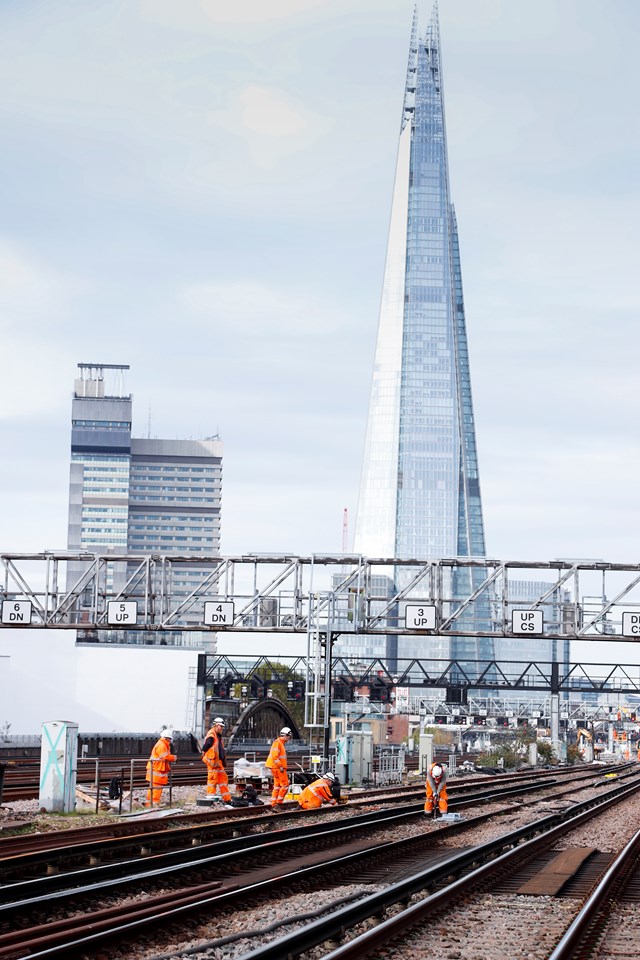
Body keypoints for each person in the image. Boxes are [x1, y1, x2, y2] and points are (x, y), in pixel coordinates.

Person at [202, 716, 232, 804]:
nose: (222, 728)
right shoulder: (212, 734)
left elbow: (219, 749)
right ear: (216, 725)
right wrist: (203, 752)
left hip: (218, 762)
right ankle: (211, 797)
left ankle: (227, 798)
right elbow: (207, 745)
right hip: (212, 762)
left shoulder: (218, 735)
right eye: (221, 726)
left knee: (223, 779)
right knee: (212, 779)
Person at [145, 728, 177, 806]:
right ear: (167, 738)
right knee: (157, 787)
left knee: (153, 787)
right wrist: (174, 758)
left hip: (156, 768)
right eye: (170, 738)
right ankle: (154, 803)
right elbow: (164, 756)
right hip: (157, 769)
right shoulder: (162, 745)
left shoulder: (162, 744)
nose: (170, 740)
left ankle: (149, 803)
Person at [265, 726, 292, 809]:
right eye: (289, 737)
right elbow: (275, 756)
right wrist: (280, 766)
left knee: (277, 786)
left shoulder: (280, 743)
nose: (289, 739)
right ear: (286, 735)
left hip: (275, 767)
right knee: (285, 785)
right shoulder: (278, 743)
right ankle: (278, 803)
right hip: (278, 768)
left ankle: (273, 803)